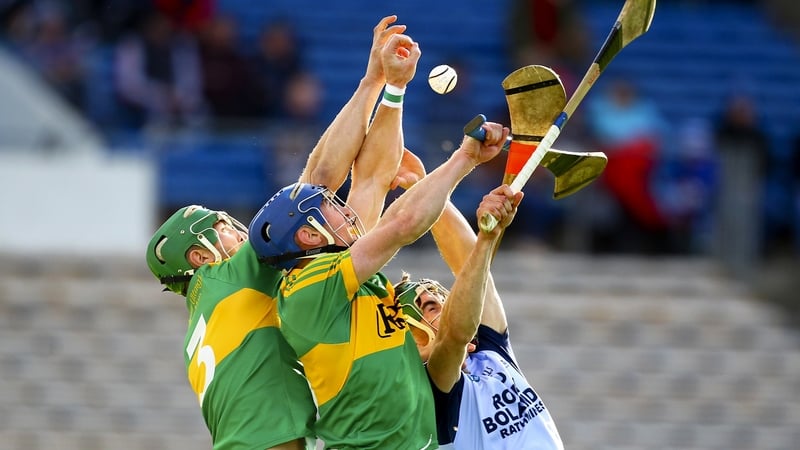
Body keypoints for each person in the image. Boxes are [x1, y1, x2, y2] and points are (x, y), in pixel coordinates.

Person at [144, 16, 419, 450]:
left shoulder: (212, 315)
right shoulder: (229, 275)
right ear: (199, 256)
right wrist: (373, 83)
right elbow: (315, 185)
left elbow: (359, 201)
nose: (236, 229)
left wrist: (387, 96)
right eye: (220, 228)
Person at [247, 121, 509, 448]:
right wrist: (464, 159)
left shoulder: (354, 286)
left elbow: (371, 182)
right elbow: (402, 223)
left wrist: (391, 86)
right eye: (330, 207)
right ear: (310, 235)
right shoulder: (305, 290)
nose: (345, 210)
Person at [394, 180, 564, 449]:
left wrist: (423, 185)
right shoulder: (429, 385)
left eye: (443, 299)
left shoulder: (488, 350)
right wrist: (487, 238)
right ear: (413, 342)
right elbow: (454, 337)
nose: (447, 305)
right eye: (431, 308)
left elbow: (466, 262)